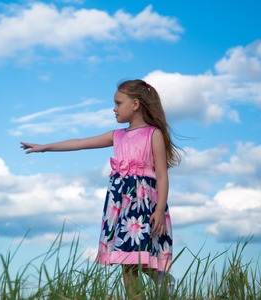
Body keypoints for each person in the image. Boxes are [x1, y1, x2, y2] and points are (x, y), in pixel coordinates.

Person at [20, 79, 181, 297]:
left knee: (136, 256)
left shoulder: (153, 134)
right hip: (119, 204)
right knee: (125, 259)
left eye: (118, 103)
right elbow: (80, 142)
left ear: (135, 104)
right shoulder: (117, 136)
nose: (114, 109)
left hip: (143, 204)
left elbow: (162, 174)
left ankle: (161, 278)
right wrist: (45, 147)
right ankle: (156, 282)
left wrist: (159, 209)